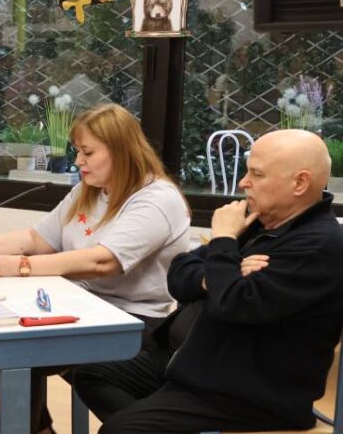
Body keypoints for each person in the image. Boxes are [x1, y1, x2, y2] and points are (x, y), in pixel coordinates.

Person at [73, 129, 343, 433]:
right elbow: (178, 273)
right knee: (92, 373)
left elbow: (232, 303)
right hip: (191, 362)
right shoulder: (259, 221)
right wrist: (220, 272)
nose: (243, 183)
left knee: (121, 430)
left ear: (300, 183)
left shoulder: (319, 244)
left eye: (257, 174)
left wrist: (224, 240)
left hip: (244, 392)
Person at [0, 103, 191, 434]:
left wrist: (22, 267)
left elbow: (102, 262)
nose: (78, 161)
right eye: (77, 151)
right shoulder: (88, 190)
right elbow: (37, 239)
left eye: (88, 152)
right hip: (79, 304)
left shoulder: (157, 199)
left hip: (133, 320)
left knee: (10, 348)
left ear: (121, 151)